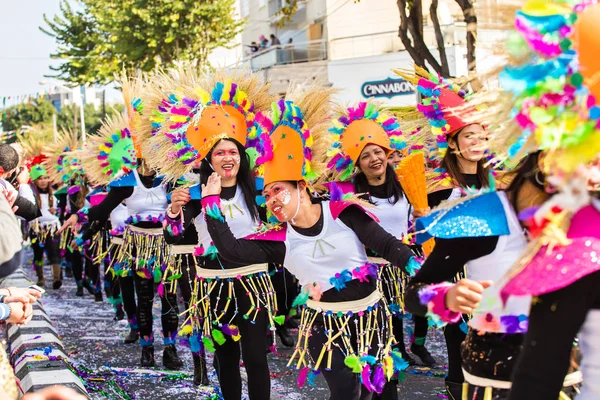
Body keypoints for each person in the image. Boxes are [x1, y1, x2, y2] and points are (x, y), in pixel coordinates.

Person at [199, 89, 420, 399]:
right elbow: (232, 250)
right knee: (349, 394)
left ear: (301, 186)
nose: (272, 200)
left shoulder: (341, 210)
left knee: (383, 393)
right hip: (324, 327)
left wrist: (423, 273)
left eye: (279, 190)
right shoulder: (277, 239)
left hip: (371, 319)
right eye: (268, 194)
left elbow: (384, 244)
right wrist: (210, 203)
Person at [150, 70, 276, 396]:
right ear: (209, 159)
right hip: (214, 288)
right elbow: (178, 241)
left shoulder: (260, 192)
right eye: (220, 152)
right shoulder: (193, 195)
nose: (227, 157)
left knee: (255, 358)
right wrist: (174, 213)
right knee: (225, 358)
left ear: (241, 157)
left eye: (233, 151)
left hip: (253, 284)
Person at [60, 111, 182, 369]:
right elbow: (101, 209)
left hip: (166, 247)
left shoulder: (169, 180)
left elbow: (189, 201)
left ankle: (170, 349)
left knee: (170, 299)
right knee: (145, 299)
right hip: (137, 247)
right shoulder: (126, 183)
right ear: (139, 151)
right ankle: (147, 349)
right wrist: (78, 220)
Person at [325, 101, 435, 379]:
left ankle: (415, 346)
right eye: (366, 156)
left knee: (412, 308)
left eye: (378, 152)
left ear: (387, 154)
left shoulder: (405, 185)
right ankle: (393, 353)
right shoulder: (354, 194)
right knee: (386, 315)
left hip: (403, 258)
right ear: (358, 165)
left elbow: (418, 217)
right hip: (371, 265)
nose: (374, 158)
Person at [26, 155, 63, 289]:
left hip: (53, 228)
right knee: (38, 254)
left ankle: (56, 278)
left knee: (54, 253)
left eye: (45, 178)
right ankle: (41, 278)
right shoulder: (30, 195)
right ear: (35, 181)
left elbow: (60, 210)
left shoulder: (53, 193)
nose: (43, 181)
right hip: (37, 228)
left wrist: (56, 211)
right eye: (40, 178)